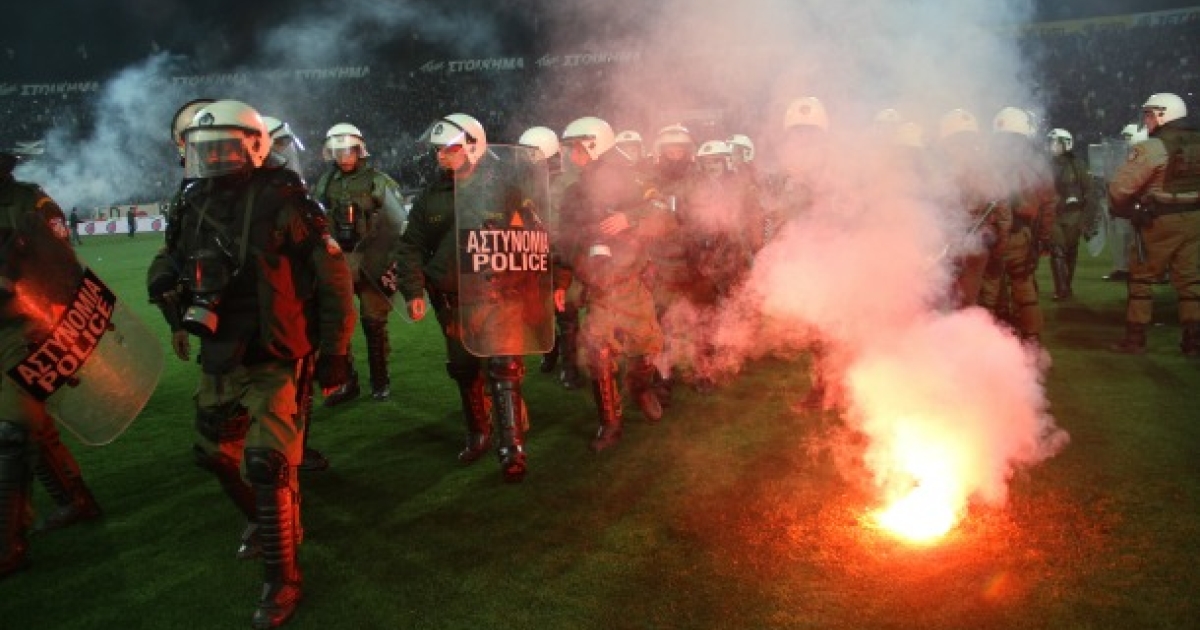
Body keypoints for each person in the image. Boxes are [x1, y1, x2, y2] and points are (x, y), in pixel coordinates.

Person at [146, 100, 355, 627]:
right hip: (220, 347)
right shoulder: (192, 199)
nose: (213, 156)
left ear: (256, 145)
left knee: (267, 461)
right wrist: (163, 280)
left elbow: (333, 278)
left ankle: (283, 578)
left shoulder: (286, 199)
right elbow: (172, 254)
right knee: (213, 454)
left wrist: (336, 351)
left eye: (223, 146)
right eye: (204, 147)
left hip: (275, 349)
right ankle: (270, 520)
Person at [391, 113, 537, 482]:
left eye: (450, 148)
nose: (441, 155)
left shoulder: (505, 188)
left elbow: (532, 238)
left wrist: (521, 279)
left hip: (497, 295)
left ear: (474, 147)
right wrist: (413, 290)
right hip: (454, 301)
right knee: (464, 369)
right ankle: (478, 432)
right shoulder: (430, 197)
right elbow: (410, 247)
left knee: (503, 367)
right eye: (438, 149)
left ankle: (512, 447)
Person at [0, 151, 105, 581]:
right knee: (31, 424)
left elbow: (63, 267)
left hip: (23, 328)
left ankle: (7, 545)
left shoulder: (30, 204)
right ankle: (74, 500)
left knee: (11, 430)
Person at [554, 115, 672, 452]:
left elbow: (663, 213)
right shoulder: (574, 193)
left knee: (647, 348)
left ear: (595, 146)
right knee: (598, 352)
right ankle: (610, 423)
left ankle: (640, 387)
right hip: (598, 286)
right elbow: (566, 243)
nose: (572, 155)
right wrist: (561, 282)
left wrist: (629, 218)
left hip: (631, 282)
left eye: (577, 148)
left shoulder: (629, 180)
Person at [311, 123, 406, 404]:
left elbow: (398, 220)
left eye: (348, 151)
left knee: (373, 323)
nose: (343, 157)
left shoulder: (378, 181)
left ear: (358, 150)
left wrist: (388, 258)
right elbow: (315, 217)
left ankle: (380, 380)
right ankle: (346, 381)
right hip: (338, 261)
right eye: (338, 151)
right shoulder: (326, 182)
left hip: (371, 262)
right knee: (340, 325)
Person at [1107, 93, 1200, 356]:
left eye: (1149, 114)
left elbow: (1120, 188)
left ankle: (1135, 339)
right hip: (1194, 219)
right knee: (1191, 281)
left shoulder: (1153, 147)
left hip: (1159, 220)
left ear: (1162, 114)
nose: (1146, 120)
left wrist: (1126, 209)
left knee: (1141, 278)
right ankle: (1193, 341)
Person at [979, 106, 1056, 344]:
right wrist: (1043, 238)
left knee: (990, 287)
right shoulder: (1036, 165)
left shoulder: (989, 162)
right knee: (1024, 286)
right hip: (1023, 234)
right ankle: (1031, 338)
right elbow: (1048, 204)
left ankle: (985, 340)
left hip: (995, 234)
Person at [1046, 128, 1093, 300]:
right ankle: (1061, 289)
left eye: (1056, 143)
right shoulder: (1045, 165)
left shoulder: (1078, 165)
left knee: (1071, 250)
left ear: (1066, 144)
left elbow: (1089, 192)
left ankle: (1066, 286)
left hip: (1074, 215)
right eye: (1051, 142)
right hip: (1054, 214)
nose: (1052, 146)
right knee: (1057, 250)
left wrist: (1087, 219)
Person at [1102, 124, 1147, 282]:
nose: (1125, 140)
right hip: (1124, 206)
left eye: (1128, 137)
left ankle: (1140, 270)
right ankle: (1123, 269)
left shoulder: (1143, 158)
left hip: (1136, 206)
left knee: (1139, 240)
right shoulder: (1127, 157)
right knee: (1123, 240)